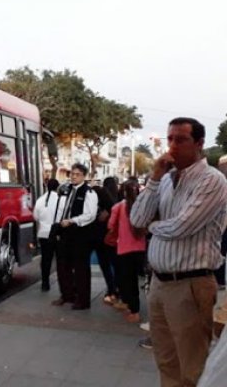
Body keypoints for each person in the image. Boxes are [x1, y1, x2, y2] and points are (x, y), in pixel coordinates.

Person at [130, 117, 227, 387]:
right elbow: (137, 219)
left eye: (181, 139)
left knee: (191, 366)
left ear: (199, 144)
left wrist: (152, 226)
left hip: (190, 285)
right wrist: (154, 178)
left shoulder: (212, 180)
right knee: (166, 362)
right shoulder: (166, 181)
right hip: (160, 283)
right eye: (170, 138)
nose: (172, 146)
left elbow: (182, 226)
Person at [51, 163, 98, 310]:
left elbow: (90, 215)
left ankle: (83, 300)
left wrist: (72, 221)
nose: (73, 176)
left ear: (84, 176)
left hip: (80, 234)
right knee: (63, 266)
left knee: (80, 268)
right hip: (65, 233)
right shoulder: (66, 190)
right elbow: (60, 209)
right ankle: (67, 295)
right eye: (72, 174)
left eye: (77, 174)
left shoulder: (89, 193)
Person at [107, 179, 146, 323]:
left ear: (123, 192)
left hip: (124, 249)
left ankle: (133, 309)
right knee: (136, 278)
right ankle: (133, 307)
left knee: (127, 280)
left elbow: (111, 225)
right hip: (141, 249)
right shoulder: (142, 207)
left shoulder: (118, 207)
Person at [91, 185, 119, 303]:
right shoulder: (111, 208)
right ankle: (115, 288)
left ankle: (111, 288)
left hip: (99, 240)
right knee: (114, 264)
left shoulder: (96, 208)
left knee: (105, 265)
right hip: (109, 240)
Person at [33, 178, 60, 291]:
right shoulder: (60, 200)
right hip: (57, 234)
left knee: (45, 259)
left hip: (43, 234)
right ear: (57, 188)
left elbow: (35, 217)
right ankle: (64, 284)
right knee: (60, 260)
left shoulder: (40, 200)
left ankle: (45, 283)